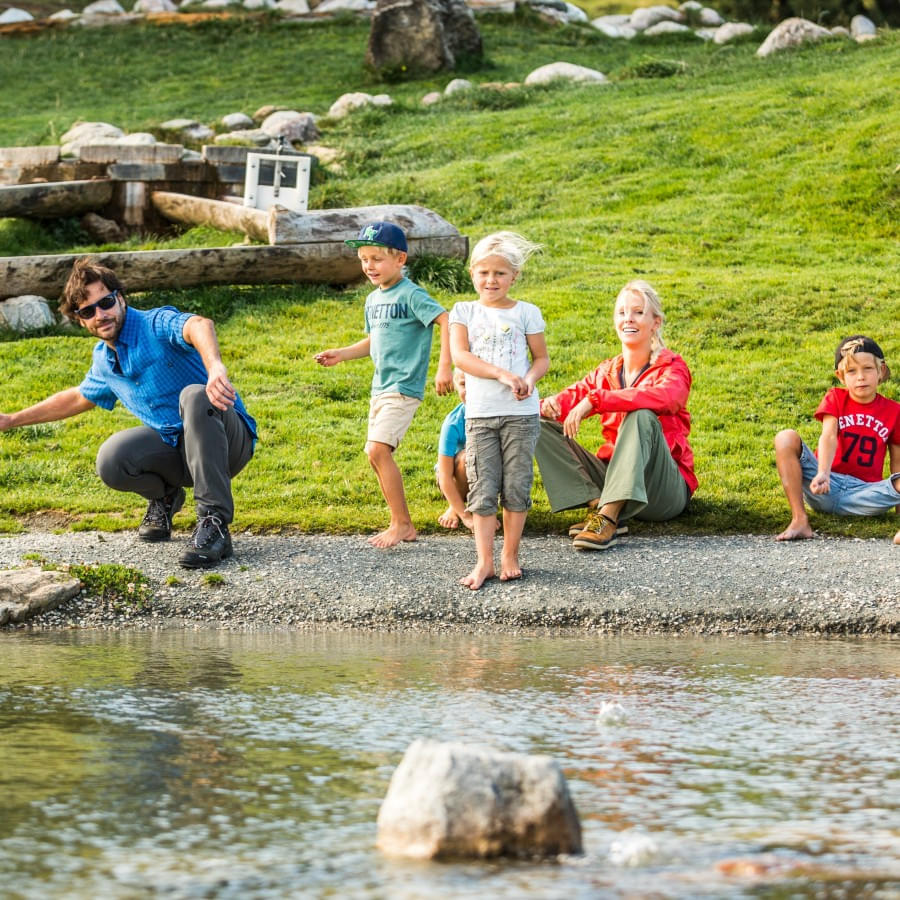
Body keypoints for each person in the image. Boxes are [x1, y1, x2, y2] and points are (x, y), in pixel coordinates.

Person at [0, 257, 257, 568]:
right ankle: (165, 498)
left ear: (119, 298)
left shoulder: (154, 324)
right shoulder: (104, 360)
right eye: (88, 311)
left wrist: (215, 367)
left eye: (105, 302)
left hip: (227, 442)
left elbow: (198, 325)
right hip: (181, 451)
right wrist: (11, 420)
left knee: (195, 395)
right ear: (81, 321)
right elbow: (79, 397)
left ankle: (214, 524)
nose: (101, 314)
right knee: (112, 458)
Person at [315, 221, 453, 548]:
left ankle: (402, 523)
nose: (369, 266)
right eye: (364, 259)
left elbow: (445, 319)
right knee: (373, 454)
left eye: (377, 259)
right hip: (380, 388)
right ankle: (400, 521)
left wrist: (444, 366)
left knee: (379, 450)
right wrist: (342, 354)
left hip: (403, 387)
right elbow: (373, 341)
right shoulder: (372, 300)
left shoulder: (411, 294)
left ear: (400, 259)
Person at [536, 279, 695, 550]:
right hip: (612, 479)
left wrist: (597, 400)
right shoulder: (607, 371)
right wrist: (548, 405)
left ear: (655, 322)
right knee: (538, 423)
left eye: (637, 312)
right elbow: (570, 399)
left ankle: (608, 516)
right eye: (621, 313)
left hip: (662, 492)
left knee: (642, 414)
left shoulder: (673, 367)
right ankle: (598, 504)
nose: (628, 319)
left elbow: (668, 398)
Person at [449, 231, 549, 589]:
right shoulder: (463, 312)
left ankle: (510, 555)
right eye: (484, 273)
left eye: (500, 274)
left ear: (514, 276)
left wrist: (530, 380)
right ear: (472, 273)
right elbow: (461, 357)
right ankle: (484, 562)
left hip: (521, 415)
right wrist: (502, 374)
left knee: (517, 485)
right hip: (480, 414)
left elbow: (541, 359)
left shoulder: (527, 312)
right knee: (482, 485)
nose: (491, 280)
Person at [774, 335, 900, 544]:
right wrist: (823, 472)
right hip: (825, 484)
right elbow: (829, 436)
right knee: (785, 437)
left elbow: (897, 463)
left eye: (868, 368)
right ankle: (799, 520)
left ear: (881, 371)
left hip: (865, 493)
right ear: (841, 376)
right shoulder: (836, 397)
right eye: (851, 371)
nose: (860, 377)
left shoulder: (895, 411)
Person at [436, 368, 473, 531]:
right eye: (464, 384)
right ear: (456, 386)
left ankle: (484, 509)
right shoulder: (453, 423)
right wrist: (466, 517)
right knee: (468, 457)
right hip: (454, 478)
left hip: (487, 477)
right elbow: (444, 475)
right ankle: (456, 506)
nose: (471, 390)